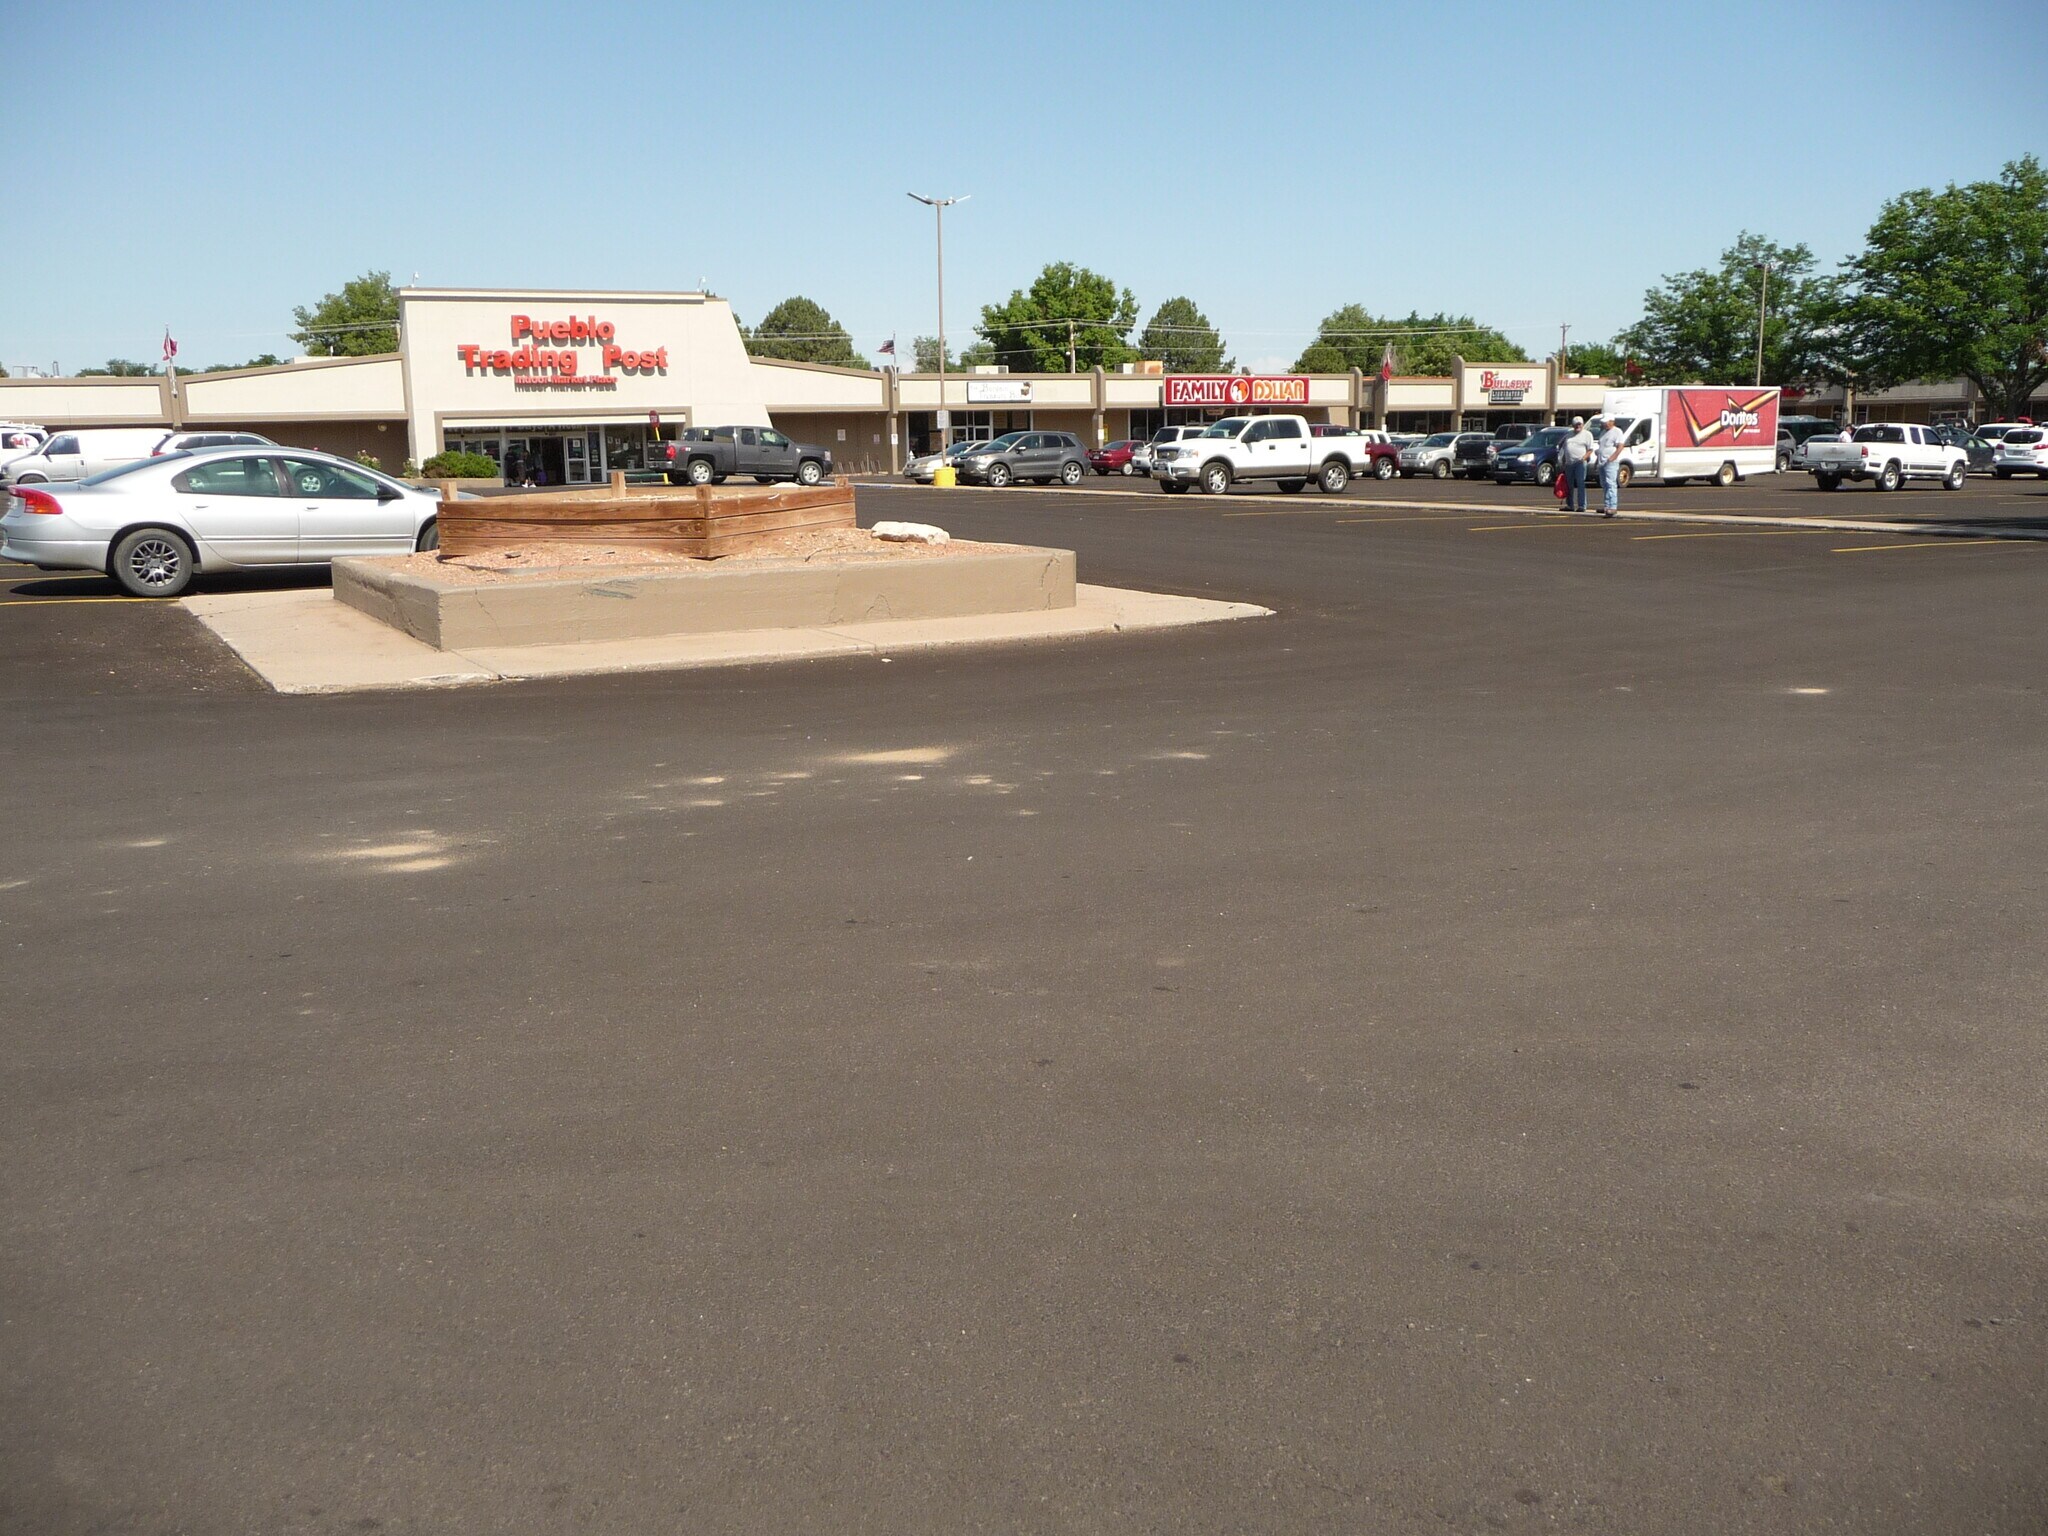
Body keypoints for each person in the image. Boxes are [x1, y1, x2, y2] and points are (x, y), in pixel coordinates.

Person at [1560, 416, 1595, 513]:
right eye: (1576, 424)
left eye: (1579, 424)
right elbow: (1564, 448)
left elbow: (1590, 449)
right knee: (1569, 485)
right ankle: (1570, 505)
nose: (1578, 426)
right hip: (1569, 463)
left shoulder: (1587, 434)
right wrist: (1563, 461)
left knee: (1580, 484)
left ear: (1583, 424)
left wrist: (1583, 458)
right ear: (1573, 425)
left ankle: (1582, 505)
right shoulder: (1569, 434)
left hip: (1580, 463)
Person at [1595, 415, 1625, 516]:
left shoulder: (1617, 431)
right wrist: (1597, 462)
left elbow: (1620, 446)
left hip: (1610, 462)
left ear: (1612, 421)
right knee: (1604, 484)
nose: (1604, 424)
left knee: (1611, 483)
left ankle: (1613, 507)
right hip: (1602, 461)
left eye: (1606, 422)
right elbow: (1601, 448)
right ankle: (1607, 505)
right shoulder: (1603, 432)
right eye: (1604, 422)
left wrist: (1613, 457)